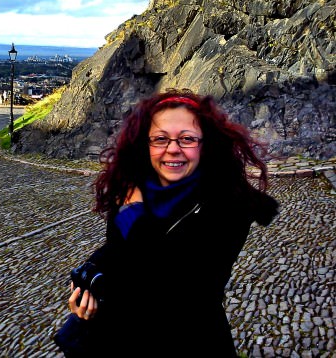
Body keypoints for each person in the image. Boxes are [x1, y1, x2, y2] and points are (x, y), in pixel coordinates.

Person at [59, 89, 279, 357]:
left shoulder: (231, 203)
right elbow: (117, 249)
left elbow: (177, 286)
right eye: (160, 138)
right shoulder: (136, 188)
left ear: (205, 144)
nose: (173, 149)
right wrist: (90, 274)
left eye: (187, 139)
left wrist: (132, 213)